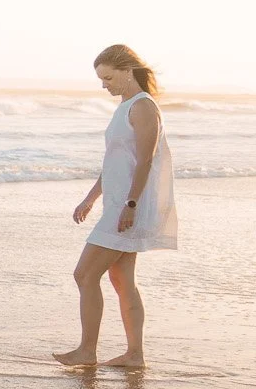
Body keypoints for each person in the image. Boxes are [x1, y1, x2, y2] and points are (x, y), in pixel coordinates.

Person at [55, 43, 177, 370]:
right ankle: (134, 355)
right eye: (101, 79)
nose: (104, 84)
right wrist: (91, 198)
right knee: (122, 279)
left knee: (84, 274)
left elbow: (146, 160)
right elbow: (114, 163)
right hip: (117, 204)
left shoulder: (143, 107)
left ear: (127, 70)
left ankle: (87, 350)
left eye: (108, 77)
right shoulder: (124, 107)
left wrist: (131, 204)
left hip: (129, 207)